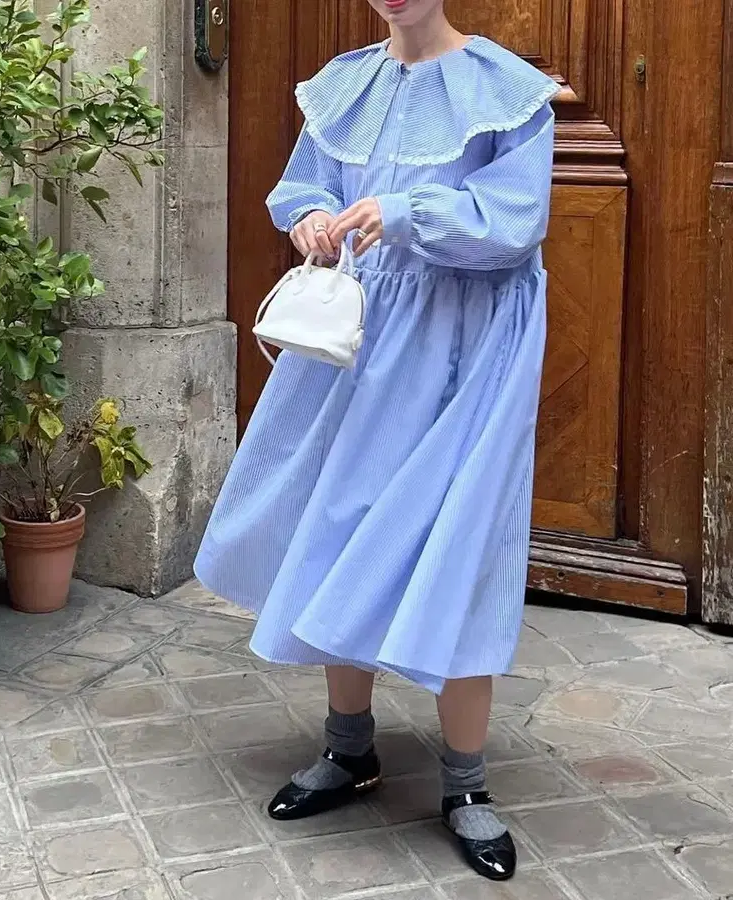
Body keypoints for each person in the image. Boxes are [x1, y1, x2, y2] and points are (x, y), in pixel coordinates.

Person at [195, 0, 558, 882]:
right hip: (359, 341)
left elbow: (515, 223)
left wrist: (401, 213)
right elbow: (306, 184)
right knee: (339, 522)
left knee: (460, 542)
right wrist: (312, 221)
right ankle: (349, 748)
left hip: (467, 349)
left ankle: (467, 785)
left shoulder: (507, 88)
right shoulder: (345, 83)